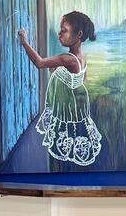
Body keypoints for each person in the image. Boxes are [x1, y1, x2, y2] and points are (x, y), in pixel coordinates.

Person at [17, 10, 103, 167]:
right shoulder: (82, 57)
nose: (59, 34)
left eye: (64, 31)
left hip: (67, 105)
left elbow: (40, 63)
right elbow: (82, 79)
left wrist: (24, 42)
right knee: (75, 131)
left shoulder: (68, 59)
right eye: (60, 30)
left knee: (66, 131)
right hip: (77, 102)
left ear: (79, 34)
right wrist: (61, 75)